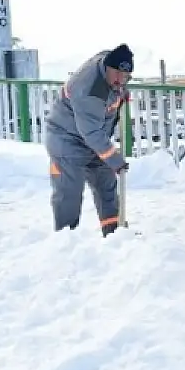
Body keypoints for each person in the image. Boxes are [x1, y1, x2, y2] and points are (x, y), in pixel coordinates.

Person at [44, 43, 134, 237]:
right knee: (70, 191)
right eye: (116, 75)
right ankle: (66, 241)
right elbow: (91, 133)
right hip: (66, 139)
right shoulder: (89, 90)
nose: (119, 80)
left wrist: (122, 94)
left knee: (106, 185)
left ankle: (114, 234)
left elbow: (94, 134)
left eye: (124, 77)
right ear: (105, 69)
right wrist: (116, 161)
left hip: (94, 137)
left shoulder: (110, 64)